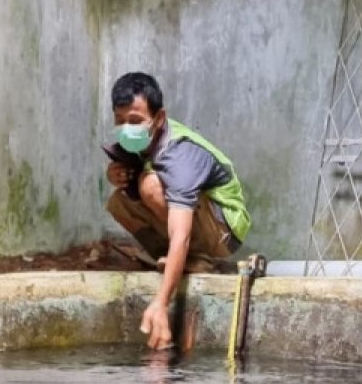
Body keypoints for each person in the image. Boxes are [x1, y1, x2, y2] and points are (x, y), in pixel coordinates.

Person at [103, 72, 252, 350]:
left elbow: (180, 234)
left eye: (134, 121)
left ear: (159, 119)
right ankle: (185, 260)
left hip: (223, 230)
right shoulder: (144, 140)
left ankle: (193, 259)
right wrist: (117, 174)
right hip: (194, 218)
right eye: (119, 120)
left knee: (149, 186)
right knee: (118, 201)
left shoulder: (180, 155)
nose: (126, 128)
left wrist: (160, 303)